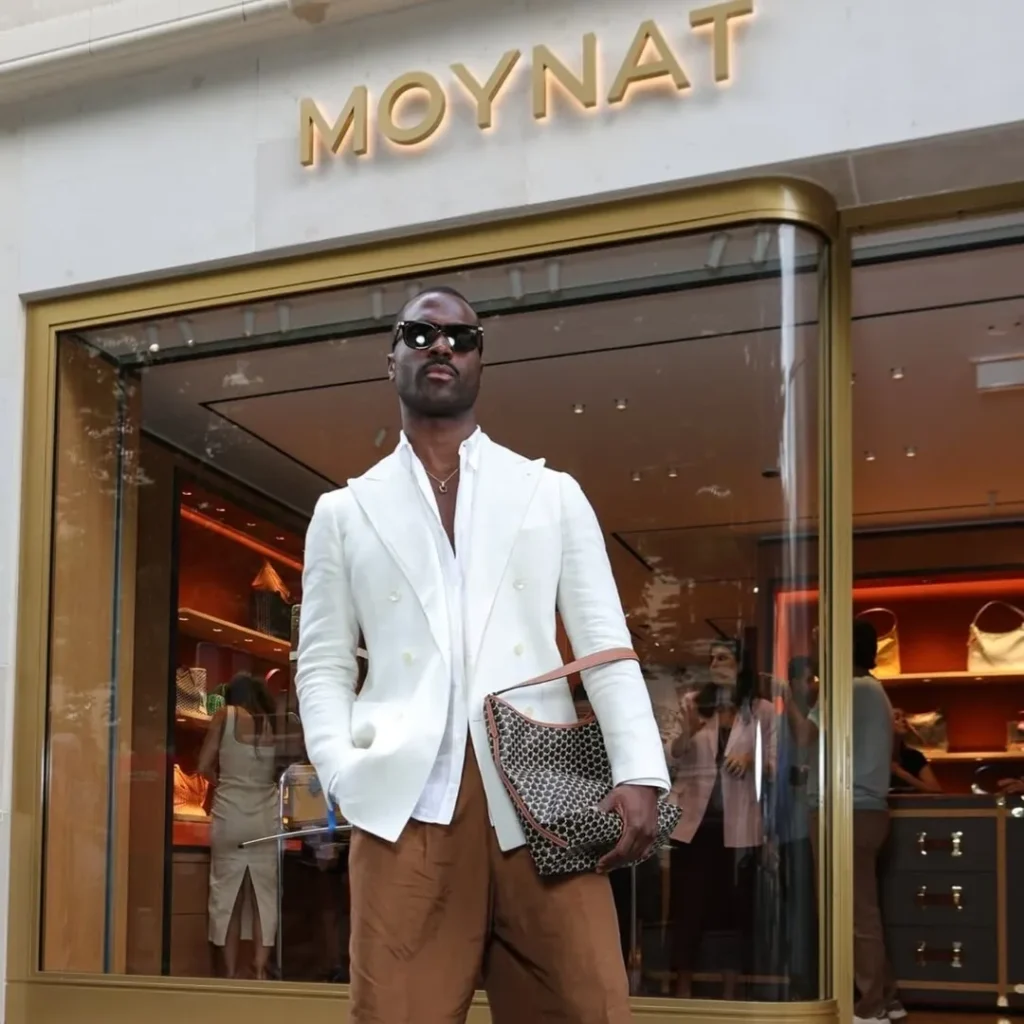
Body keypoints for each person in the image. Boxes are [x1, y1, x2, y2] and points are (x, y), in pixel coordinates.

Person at [295, 285, 670, 1023]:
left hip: (544, 797)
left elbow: (604, 644)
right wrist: (342, 769)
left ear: (479, 361)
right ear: (392, 358)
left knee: (588, 1005)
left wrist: (638, 769)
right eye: (421, 334)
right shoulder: (344, 512)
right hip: (407, 806)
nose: (442, 347)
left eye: (461, 338)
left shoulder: (549, 493)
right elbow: (323, 663)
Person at [791, 621, 905, 1024]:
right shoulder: (871, 689)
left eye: (820, 639)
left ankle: (870, 1006)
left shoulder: (847, 689)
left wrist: (785, 697)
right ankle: (886, 997)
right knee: (862, 908)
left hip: (844, 812)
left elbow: (804, 737)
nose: (815, 647)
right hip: (864, 811)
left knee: (853, 914)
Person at [664, 639, 775, 999]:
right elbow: (670, 758)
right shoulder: (693, 703)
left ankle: (730, 992)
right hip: (694, 827)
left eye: (723, 658)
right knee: (687, 908)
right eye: (712, 659)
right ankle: (683, 989)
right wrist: (687, 733)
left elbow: (776, 762)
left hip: (738, 827)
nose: (715, 664)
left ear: (741, 665)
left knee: (733, 911)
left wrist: (751, 759)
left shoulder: (761, 710)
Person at [197, 672, 280, 979]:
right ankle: (259, 970)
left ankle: (230, 974)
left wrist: (224, 783)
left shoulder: (225, 716)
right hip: (266, 820)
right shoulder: (272, 723)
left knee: (227, 897)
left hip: (230, 816)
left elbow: (203, 765)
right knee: (264, 897)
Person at [890, 708, 942, 794]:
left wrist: (900, 772)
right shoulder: (872, 757)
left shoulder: (914, 756)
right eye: (896, 718)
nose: (903, 720)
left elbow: (936, 791)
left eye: (903, 716)